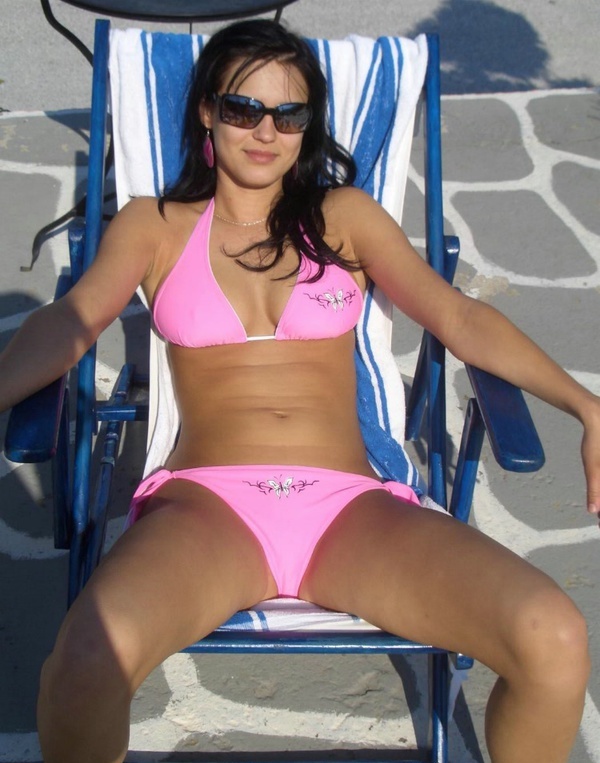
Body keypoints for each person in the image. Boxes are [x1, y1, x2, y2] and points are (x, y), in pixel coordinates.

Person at [1, 18, 597, 763]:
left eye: (289, 114)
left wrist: (586, 405)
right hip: (209, 509)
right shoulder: (154, 224)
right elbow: (71, 322)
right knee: (86, 663)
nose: (266, 132)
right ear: (207, 111)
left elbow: (458, 316)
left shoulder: (341, 217)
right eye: (243, 108)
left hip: (349, 509)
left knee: (554, 636)